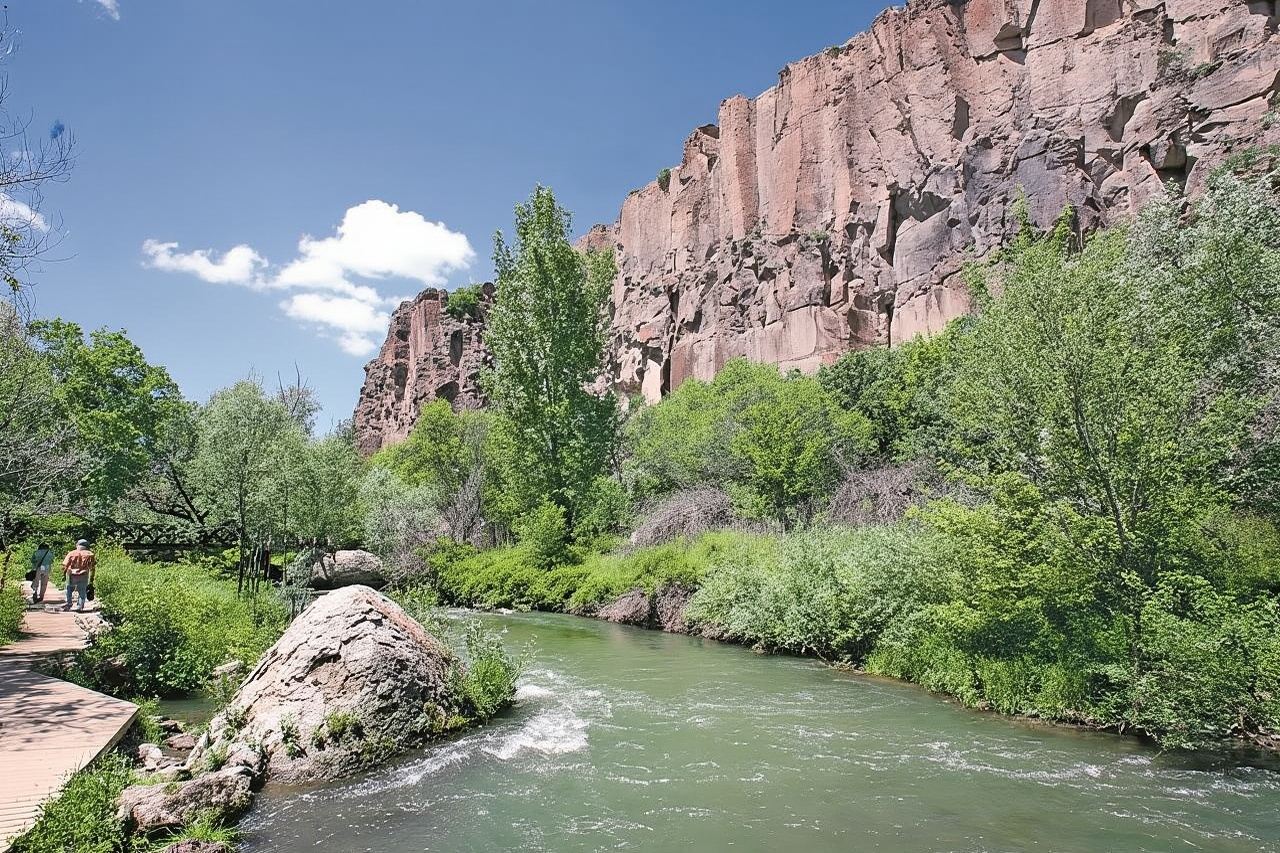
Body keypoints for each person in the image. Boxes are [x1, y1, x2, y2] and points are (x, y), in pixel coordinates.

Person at [61, 539, 96, 613]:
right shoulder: (90, 554)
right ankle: (80, 606)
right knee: (82, 591)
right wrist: (91, 579)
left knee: (69, 589)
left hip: (72, 575)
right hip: (84, 574)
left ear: (77, 545)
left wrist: (64, 575)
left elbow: (65, 565)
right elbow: (92, 568)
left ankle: (69, 603)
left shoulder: (71, 553)